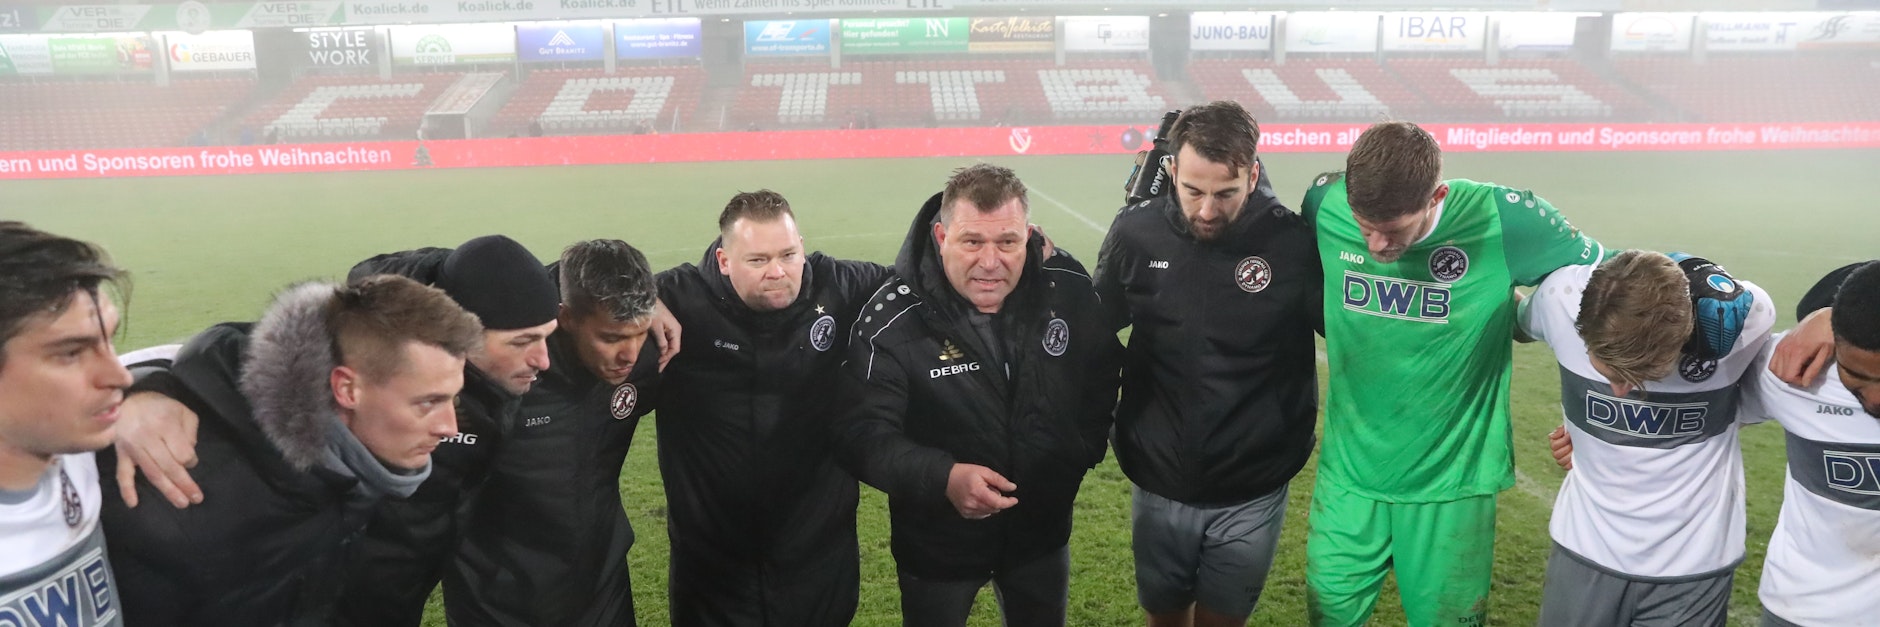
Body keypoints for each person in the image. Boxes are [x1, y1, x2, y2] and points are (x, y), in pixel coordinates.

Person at [1299, 121, 1607, 626]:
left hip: (1453, 483)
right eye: (1363, 225)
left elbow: (1611, 286)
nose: (1376, 245)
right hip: (1347, 476)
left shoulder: (1503, 218)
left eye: (1393, 230)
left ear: (1436, 195)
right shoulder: (1324, 203)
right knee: (1327, 617)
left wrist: (1585, 412)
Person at [99, 275, 483, 625]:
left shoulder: (344, 462)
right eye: (427, 403)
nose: (449, 427)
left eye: (452, 400)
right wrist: (134, 391)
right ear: (347, 390)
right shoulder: (179, 496)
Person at [834, 164, 1122, 627]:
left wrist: (1080, 449)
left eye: (1007, 242)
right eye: (972, 242)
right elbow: (861, 434)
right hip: (936, 546)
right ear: (942, 235)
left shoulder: (1065, 288)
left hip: (1041, 534)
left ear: (1027, 235)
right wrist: (942, 476)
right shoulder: (893, 320)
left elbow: (1102, 370)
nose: (991, 262)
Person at [1093, 101, 1321, 627]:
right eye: (1193, 191)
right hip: (1158, 475)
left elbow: (1352, 331)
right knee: (1165, 617)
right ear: (1171, 170)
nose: (1207, 211)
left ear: (1254, 174)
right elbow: (1094, 327)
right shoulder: (1136, 232)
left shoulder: (1293, 244)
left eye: (1226, 193)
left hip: (1252, 484)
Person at [652, 190, 891, 626]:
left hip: (818, 557)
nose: (777, 271)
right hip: (712, 569)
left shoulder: (839, 286)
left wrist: (1036, 259)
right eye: (757, 260)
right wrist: (637, 298)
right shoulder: (678, 297)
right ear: (724, 261)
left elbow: (924, 280)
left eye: (788, 254)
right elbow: (565, 285)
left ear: (802, 245)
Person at [1518, 250, 1772, 626]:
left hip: (1695, 564)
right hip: (1584, 546)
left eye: (1639, 375)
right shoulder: (1560, 298)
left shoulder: (1743, 321)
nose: (1618, 392)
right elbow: (1508, 317)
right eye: (1604, 371)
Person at [331, 234, 562, 627]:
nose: (544, 360)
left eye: (547, 336)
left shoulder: (469, 332)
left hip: (410, 583)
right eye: (523, 342)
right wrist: (187, 392)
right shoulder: (376, 372)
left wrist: (660, 300)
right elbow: (240, 351)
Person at [445, 239, 665, 626]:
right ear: (565, 316)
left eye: (640, 333)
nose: (629, 354)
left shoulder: (649, 355)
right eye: (611, 338)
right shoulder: (502, 371)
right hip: (499, 602)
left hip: (602, 591)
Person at [0, 222, 132, 626]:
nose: (119, 377)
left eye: (110, 341)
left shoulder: (73, 450)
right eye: (71, 353)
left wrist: (152, 397)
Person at [1737, 262, 1880, 626]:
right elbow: (1694, 407)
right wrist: (1594, 443)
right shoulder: (1795, 374)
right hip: (1803, 610)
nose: (1876, 398)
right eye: (1857, 375)